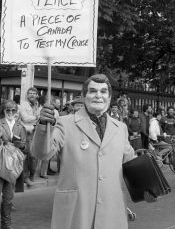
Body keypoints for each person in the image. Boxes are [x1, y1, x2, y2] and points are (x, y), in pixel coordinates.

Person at [31, 74, 156, 229]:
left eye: (103, 92)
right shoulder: (65, 123)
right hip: (76, 212)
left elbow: (131, 162)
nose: (98, 95)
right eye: (92, 91)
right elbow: (42, 153)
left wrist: (147, 187)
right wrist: (43, 125)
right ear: (84, 96)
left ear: (109, 98)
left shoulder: (120, 128)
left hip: (111, 212)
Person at [0, 100, 27, 229]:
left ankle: (6, 223)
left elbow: (25, 146)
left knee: (9, 197)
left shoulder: (20, 127)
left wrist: (19, 144)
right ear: (3, 110)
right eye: (8, 110)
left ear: (16, 112)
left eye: (13, 110)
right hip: (0, 162)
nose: (10, 112)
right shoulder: (0, 123)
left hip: (13, 166)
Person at [19, 87, 40, 186]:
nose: (32, 95)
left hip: (35, 131)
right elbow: (25, 118)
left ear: (36, 95)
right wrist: (36, 117)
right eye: (30, 93)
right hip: (25, 132)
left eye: (34, 93)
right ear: (27, 95)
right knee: (27, 155)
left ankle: (31, 174)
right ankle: (26, 177)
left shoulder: (36, 105)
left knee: (34, 155)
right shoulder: (23, 104)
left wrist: (37, 118)